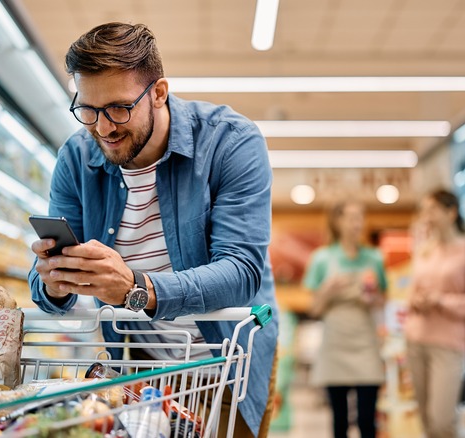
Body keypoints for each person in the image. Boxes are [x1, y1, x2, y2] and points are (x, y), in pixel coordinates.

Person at [27, 22, 279, 438]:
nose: (103, 128)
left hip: (227, 366)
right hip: (140, 368)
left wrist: (135, 288)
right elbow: (45, 290)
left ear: (158, 92)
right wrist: (55, 281)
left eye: (119, 108)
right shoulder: (76, 157)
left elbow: (242, 273)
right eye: (88, 110)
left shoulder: (230, 142)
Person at [405, 189, 465, 438]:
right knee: (425, 420)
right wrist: (418, 301)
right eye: (424, 211)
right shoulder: (425, 249)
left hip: (448, 343)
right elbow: (412, 292)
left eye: (432, 210)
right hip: (416, 340)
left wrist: (443, 301)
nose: (427, 216)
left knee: (442, 421)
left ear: (451, 212)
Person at [302, 201, 387, 438]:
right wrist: (328, 290)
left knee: (367, 420)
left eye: (360, 217)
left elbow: (383, 300)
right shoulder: (322, 258)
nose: (356, 224)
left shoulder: (374, 258)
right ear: (337, 222)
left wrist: (372, 298)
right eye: (351, 218)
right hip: (335, 343)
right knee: (339, 420)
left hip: (366, 342)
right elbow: (315, 309)